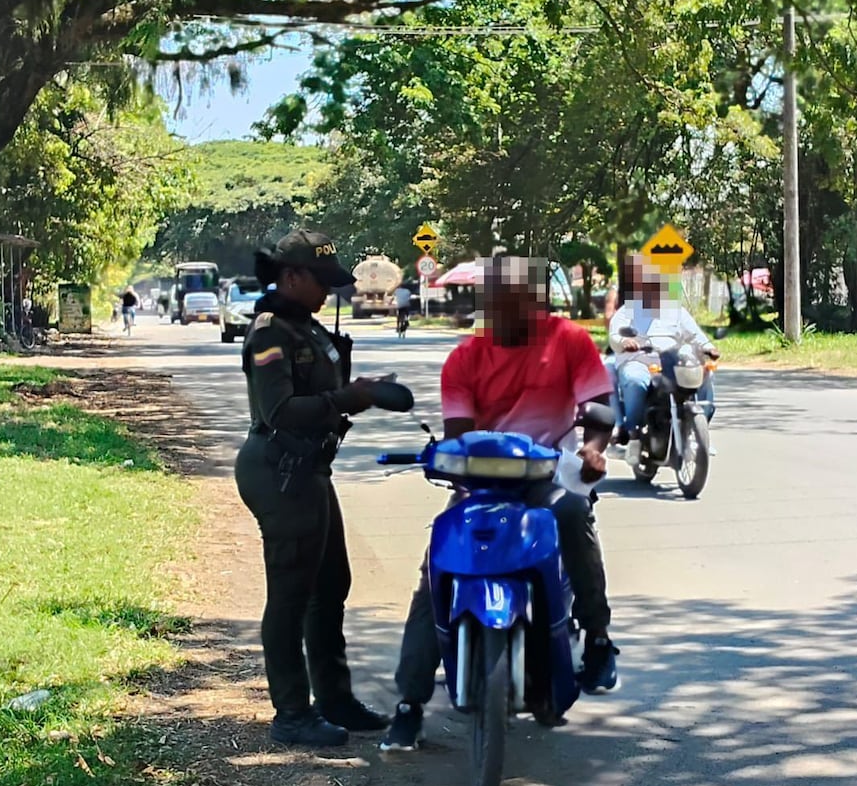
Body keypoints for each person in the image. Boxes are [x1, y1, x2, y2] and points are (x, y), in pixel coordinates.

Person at [380, 254, 619, 752]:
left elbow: (599, 408)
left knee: (574, 514)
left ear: (539, 303)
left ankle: (597, 637)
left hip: (549, 475)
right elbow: (459, 435)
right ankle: (409, 703)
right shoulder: (465, 359)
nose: (508, 314)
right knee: (437, 567)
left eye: (518, 303)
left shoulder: (570, 342)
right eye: (498, 303)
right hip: (483, 487)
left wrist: (594, 450)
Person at [235, 229, 390, 748]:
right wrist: (346, 399)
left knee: (331, 587)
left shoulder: (309, 328)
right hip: (279, 469)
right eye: (319, 281)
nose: (328, 292)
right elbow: (279, 410)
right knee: (290, 596)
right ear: (292, 277)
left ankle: (335, 698)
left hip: (309, 470)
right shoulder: (269, 333)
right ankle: (292, 713)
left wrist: (353, 391)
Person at [606, 258, 718, 446]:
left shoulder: (676, 311)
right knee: (634, 380)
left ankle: (697, 430)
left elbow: (695, 335)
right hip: (639, 362)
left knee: (704, 375)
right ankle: (632, 430)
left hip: (670, 364)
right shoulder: (628, 311)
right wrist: (625, 341)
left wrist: (708, 347)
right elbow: (614, 336)